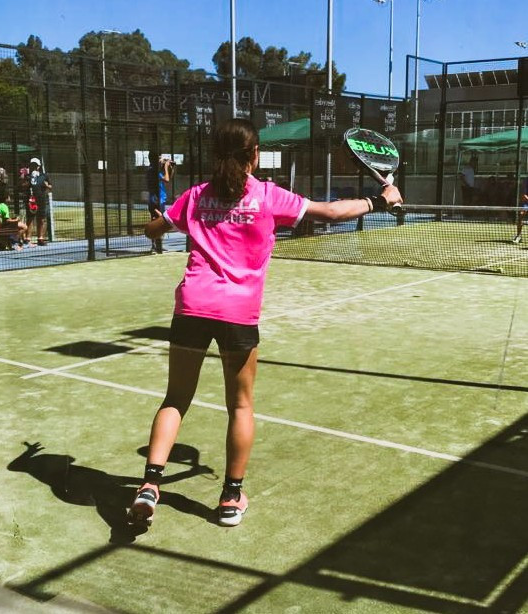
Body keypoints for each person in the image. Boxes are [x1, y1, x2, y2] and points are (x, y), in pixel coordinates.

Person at [128, 119, 402, 528]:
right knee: (240, 405)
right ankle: (230, 498)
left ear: (216, 154)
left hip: (192, 306)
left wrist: (154, 222)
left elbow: (154, 230)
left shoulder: (195, 196)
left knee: (175, 399)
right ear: (254, 155)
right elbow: (329, 212)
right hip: (237, 313)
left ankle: (150, 485)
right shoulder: (268, 196)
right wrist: (378, 201)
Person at [146, 152, 174, 254]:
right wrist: (165, 167)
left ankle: (158, 245)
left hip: (160, 199)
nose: (161, 160)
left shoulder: (155, 170)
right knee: (158, 221)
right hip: (155, 200)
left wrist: (171, 168)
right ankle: (155, 245)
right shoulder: (152, 170)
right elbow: (166, 179)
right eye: (159, 158)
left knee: (158, 221)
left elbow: (168, 177)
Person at [24, 157, 52, 247]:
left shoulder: (44, 176)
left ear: (38, 166)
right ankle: (27, 239)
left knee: (41, 219)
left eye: (35, 165)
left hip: (42, 200)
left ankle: (40, 238)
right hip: (31, 200)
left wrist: (47, 185)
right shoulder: (28, 176)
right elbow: (22, 186)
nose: (33, 167)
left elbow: (50, 186)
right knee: (30, 219)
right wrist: (26, 183)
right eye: (32, 165)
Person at [512, 176, 528, 243]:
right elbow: (524, 195)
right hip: (526, 204)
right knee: (521, 215)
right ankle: (518, 236)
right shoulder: (526, 181)